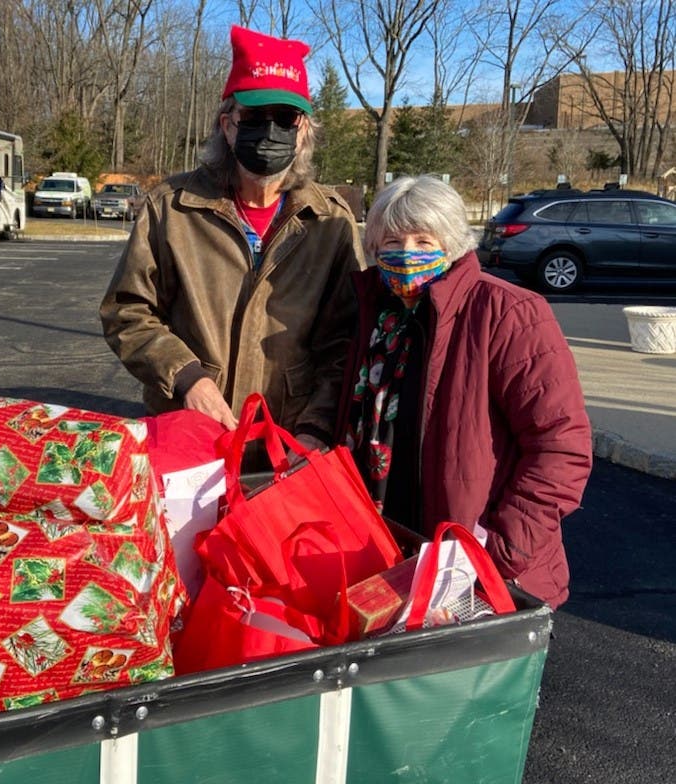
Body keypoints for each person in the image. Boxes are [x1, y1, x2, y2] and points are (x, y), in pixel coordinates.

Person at [100, 24, 364, 448]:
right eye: (255, 118)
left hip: (286, 440)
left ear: (303, 132)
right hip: (188, 431)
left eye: (285, 118)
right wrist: (185, 376)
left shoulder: (330, 222)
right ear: (227, 125)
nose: (270, 131)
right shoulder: (172, 207)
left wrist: (316, 427)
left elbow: (345, 343)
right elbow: (126, 312)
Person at [335, 175, 592, 609]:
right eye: (393, 241)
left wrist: (499, 549)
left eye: (423, 239)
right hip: (389, 556)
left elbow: (561, 447)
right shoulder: (376, 316)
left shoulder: (506, 312)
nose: (406, 253)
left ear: (453, 243)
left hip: (479, 572)